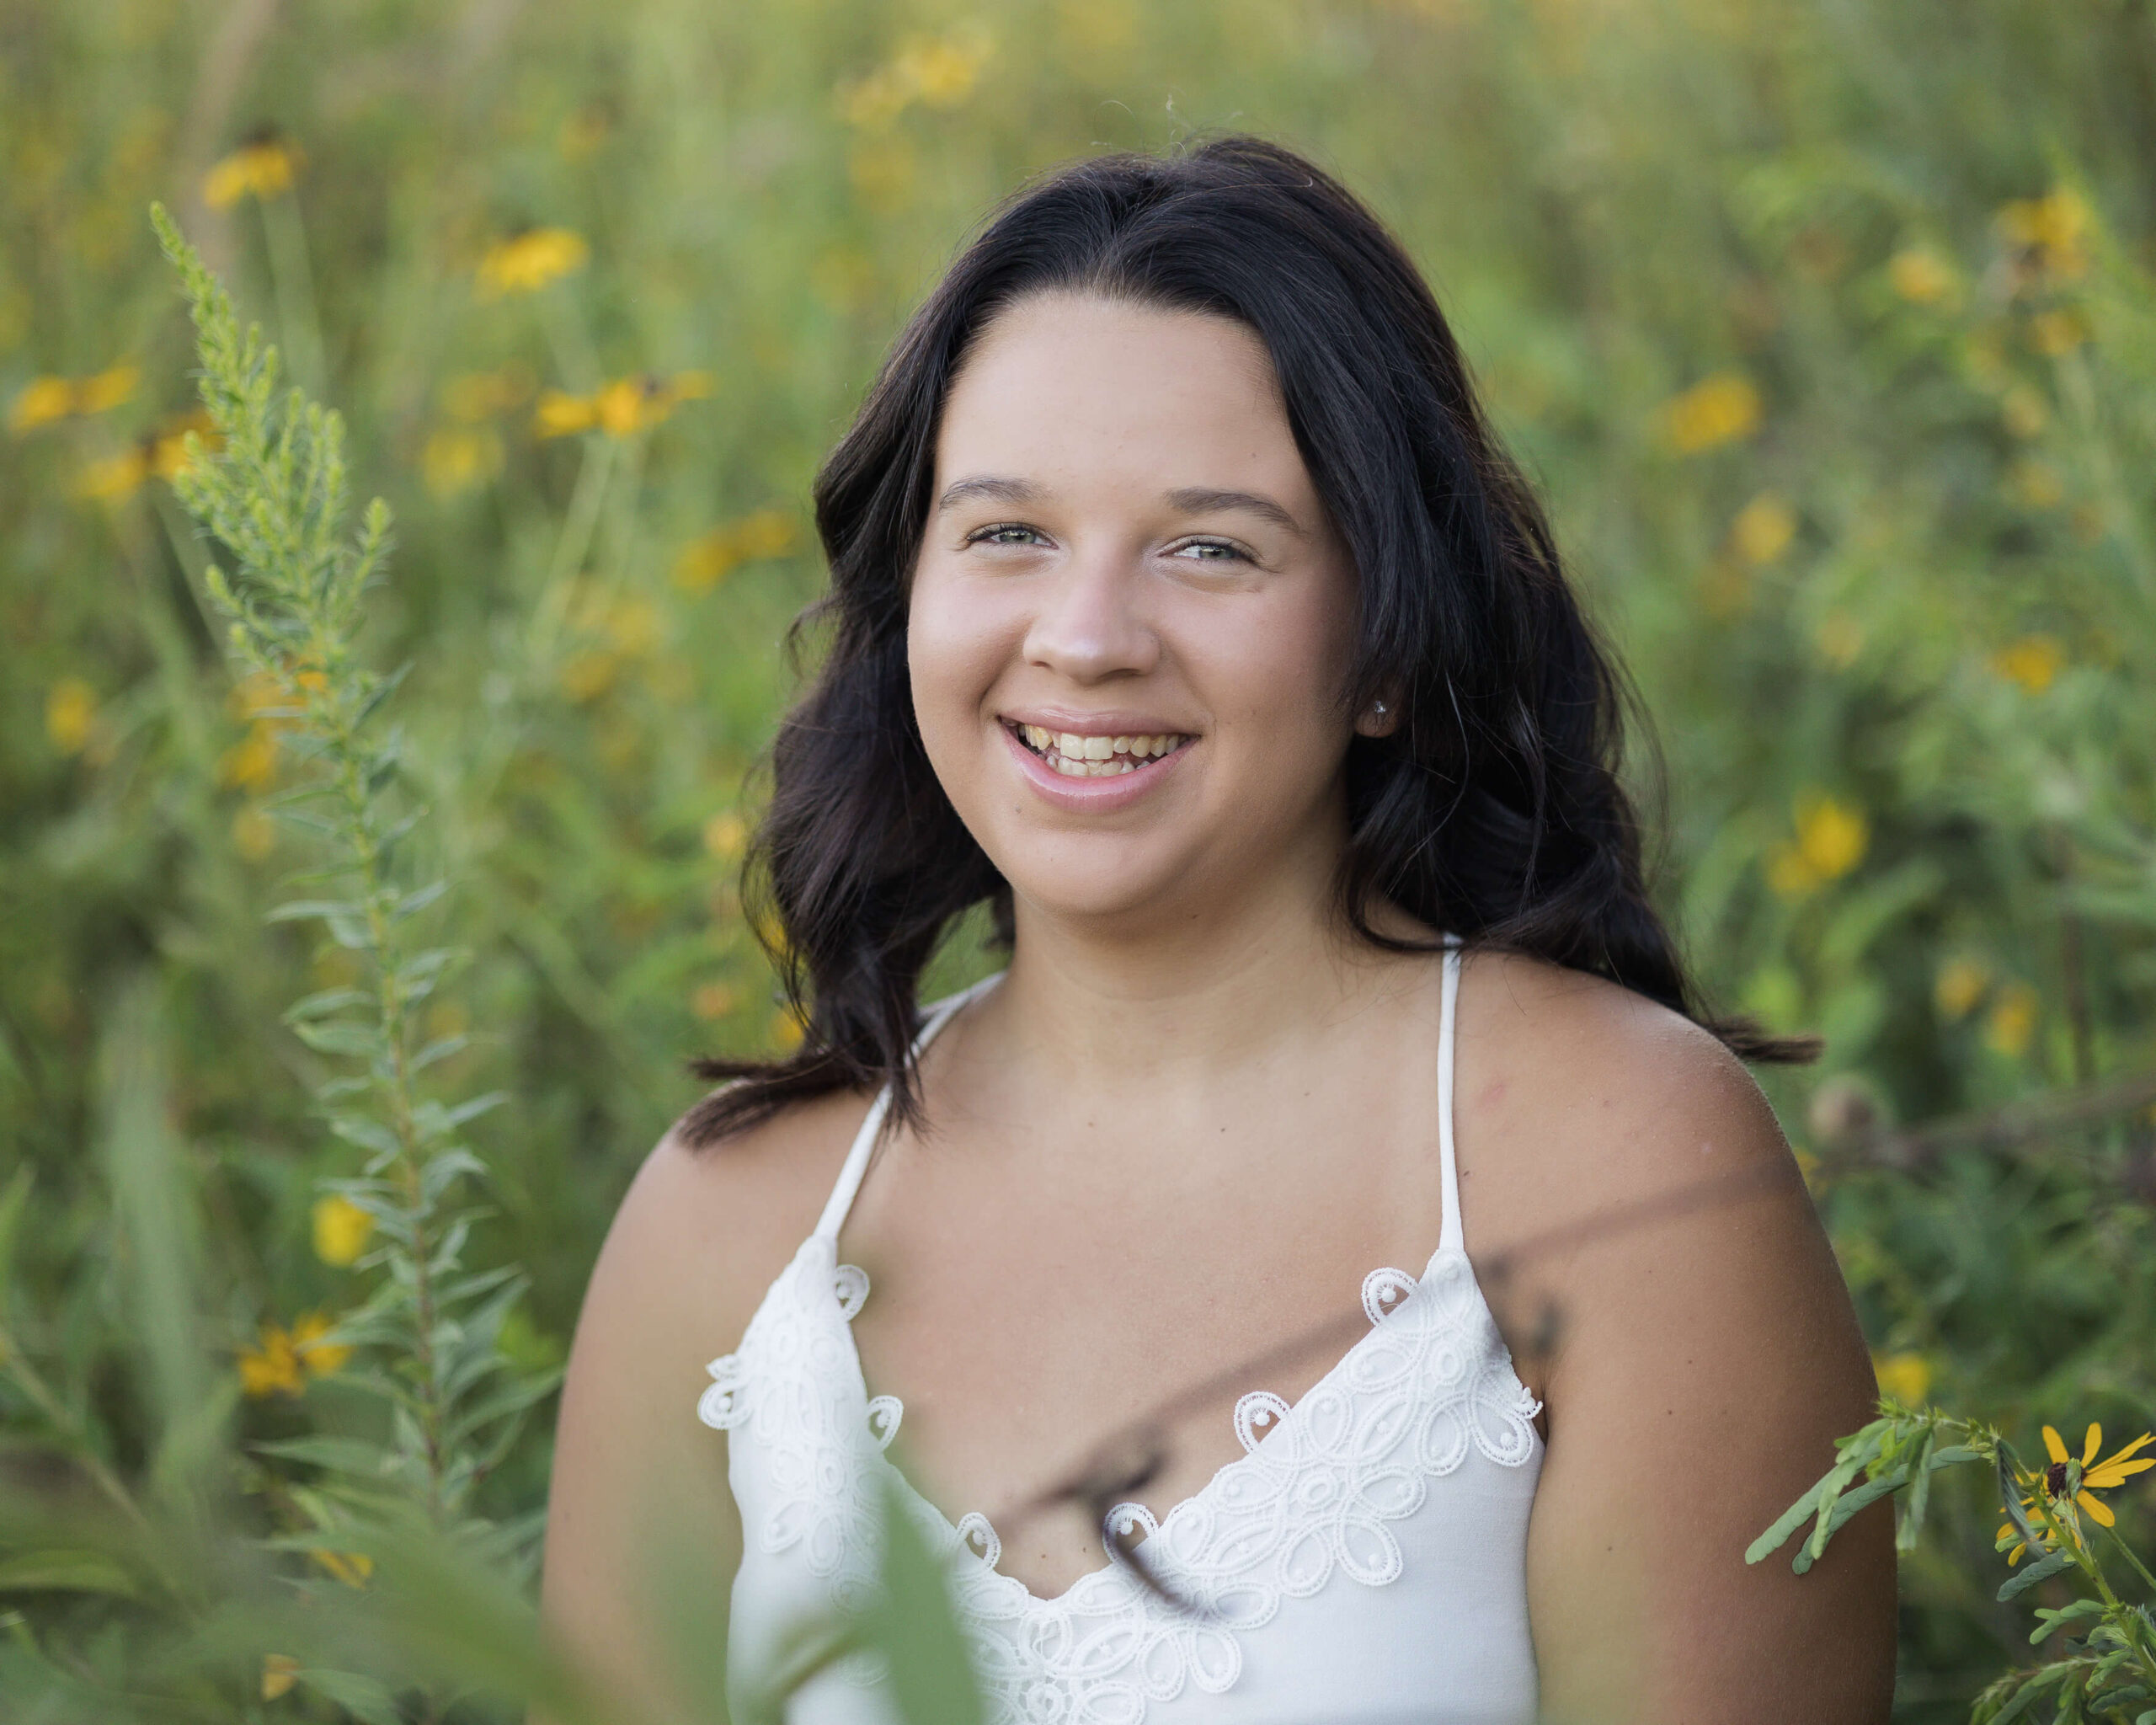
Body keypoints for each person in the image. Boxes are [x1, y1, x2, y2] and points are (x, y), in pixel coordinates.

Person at [540, 136, 1894, 1724]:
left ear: (1389, 644)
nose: (1088, 638)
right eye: (1006, 534)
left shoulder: (1621, 1163)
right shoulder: (726, 1222)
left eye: (1210, 548)